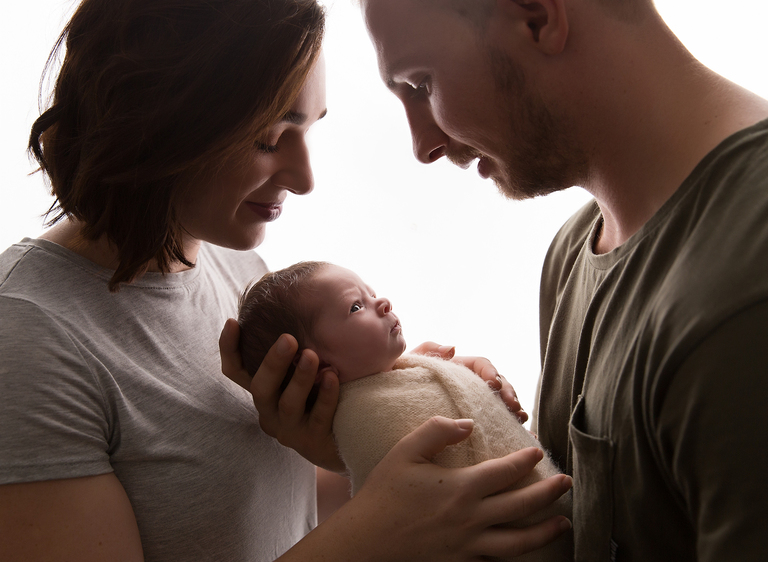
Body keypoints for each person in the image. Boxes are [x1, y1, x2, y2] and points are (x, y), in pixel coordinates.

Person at [0, 0, 573, 560]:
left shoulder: (236, 269)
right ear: (157, 118)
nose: (304, 179)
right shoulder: (28, 337)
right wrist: (376, 534)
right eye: (270, 139)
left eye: (311, 129)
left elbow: (262, 510)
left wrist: (399, 414)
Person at [221, 0, 768, 560]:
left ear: (537, 16)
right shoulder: (577, 251)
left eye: (422, 83)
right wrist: (374, 442)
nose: (423, 145)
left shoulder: (743, 289)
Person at [236, 260, 573, 561]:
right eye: (356, 307)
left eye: (371, 294)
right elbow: (403, 506)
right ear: (314, 365)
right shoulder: (364, 419)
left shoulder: (398, 377)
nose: (383, 303)